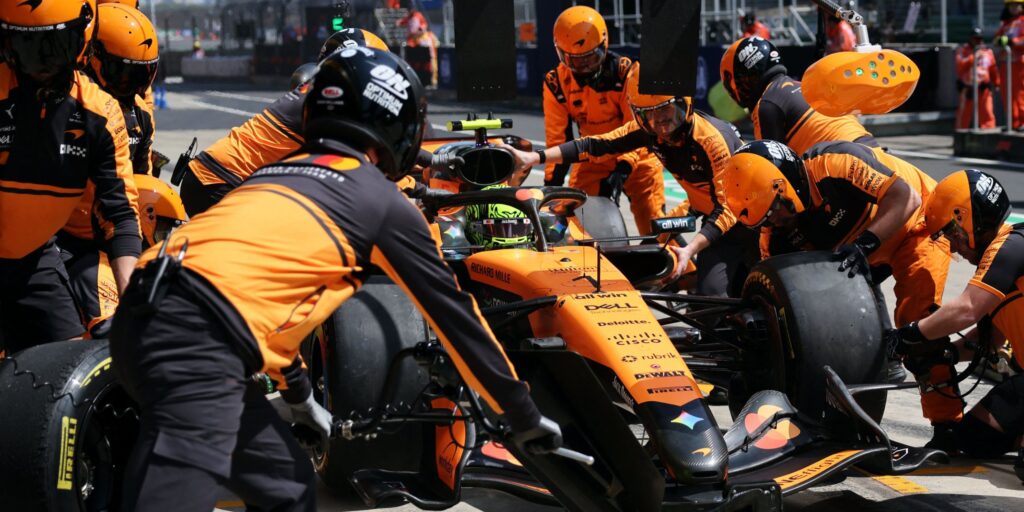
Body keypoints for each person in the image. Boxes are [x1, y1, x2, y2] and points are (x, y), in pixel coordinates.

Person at [109, 47, 559, 511]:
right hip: (197, 339)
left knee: (287, 486)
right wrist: (521, 413)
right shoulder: (382, 200)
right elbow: (456, 319)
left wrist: (301, 399)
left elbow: (265, 305)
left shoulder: (274, 174)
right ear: (395, 124)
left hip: (146, 309)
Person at [506, 62, 756, 298]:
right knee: (709, 293)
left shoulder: (711, 141)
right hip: (712, 215)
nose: (662, 125)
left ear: (684, 103)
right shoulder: (648, 131)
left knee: (741, 291)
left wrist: (690, 249)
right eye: (650, 115)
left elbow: (728, 208)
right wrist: (533, 157)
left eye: (666, 110)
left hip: (753, 218)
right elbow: (594, 145)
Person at [0, 0, 140, 352]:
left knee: (70, 360)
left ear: (82, 38)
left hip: (34, 256)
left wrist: (134, 304)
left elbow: (120, 215)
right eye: (28, 44)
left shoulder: (100, 114)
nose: (42, 62)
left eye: (55, 44)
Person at [722, 139, 951, 330]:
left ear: (786, 183)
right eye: (765, 220)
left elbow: (906, 199)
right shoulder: (772, 237)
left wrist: (863, 245)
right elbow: (780, 293)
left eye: (774, 210)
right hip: (866, 254)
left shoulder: (836, 163)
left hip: (918, 223)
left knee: (915, 321)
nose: (774, 222)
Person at [886, 170, 1023, 461]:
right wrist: (946, 354)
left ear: (967, 219)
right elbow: (990, 338)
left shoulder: (1012, 246)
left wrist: (907, 335)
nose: (952, 245)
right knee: (974, 439)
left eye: (951, 233)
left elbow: (967, 309)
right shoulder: (1000, 260)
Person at [178, 28, 389, 216]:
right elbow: (356, 163)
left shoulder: (319, 91)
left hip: (216, 177)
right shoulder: (328, 100)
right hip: (222, 181)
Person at [57, 2, 162, 337]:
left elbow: (140, 185)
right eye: (123, 73)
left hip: (117, 238)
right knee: (107, 324)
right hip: (65, 240)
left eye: (142, 75)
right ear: (93, 58)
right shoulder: (70, 106)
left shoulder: (141, 116)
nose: (132, 86)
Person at [542, 6, 665, 236]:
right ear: (561, 55)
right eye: (576, 61)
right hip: (593, 155)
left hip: (636, 156)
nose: (585, 67)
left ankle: (673, 256)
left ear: (603, 47)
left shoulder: (626, 73)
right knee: (573, 218)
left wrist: (623, 168)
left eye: (591, 58)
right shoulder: (556, 83)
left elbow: (638, 128)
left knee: (656, 226)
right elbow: (557, 138)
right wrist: (551, 186)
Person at [720, 36, 879, 155]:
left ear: (743, 79)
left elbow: (772, 168)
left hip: (847, 165)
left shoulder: (767, 104)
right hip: (876, 151)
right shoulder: (803, 86)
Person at [957, 28, 1001, 130]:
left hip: (984, 88)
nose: (977, 41)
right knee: (964, 113)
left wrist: (997, 82)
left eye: (979, 39)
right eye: (975, 38)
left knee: (987, 112)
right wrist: (974, 56)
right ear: (970, 39)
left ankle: (988, 133)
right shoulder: (963, 50)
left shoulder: (987, 52)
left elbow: (993, 68)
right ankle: (961, 134)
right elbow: (960, 65)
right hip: (968, 88)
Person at [995, 0, 1024, 130]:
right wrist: (999, 40)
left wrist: (1013, 41)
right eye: (1011, 5)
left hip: (1019, 63)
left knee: (1020, 93)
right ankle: (1012, 123)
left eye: (1016, 5)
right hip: (1006, 63)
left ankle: (1022, 121)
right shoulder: (1006, 23)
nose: (1013, 8)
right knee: (1007, 93)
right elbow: (997, 38)